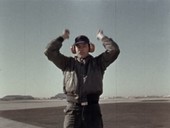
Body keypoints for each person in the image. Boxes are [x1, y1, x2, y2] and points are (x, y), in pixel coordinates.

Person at [44, 29, 120, 128]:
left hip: (92, 110)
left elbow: (114, 50)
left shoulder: (98, 63)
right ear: (73, 49)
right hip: (72, 111)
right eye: (78, 46)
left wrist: (101, 37)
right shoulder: (66, 63)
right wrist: (62, 37)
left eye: (84, 46)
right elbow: (49, 51)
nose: (81, 48)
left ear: (90, 48)